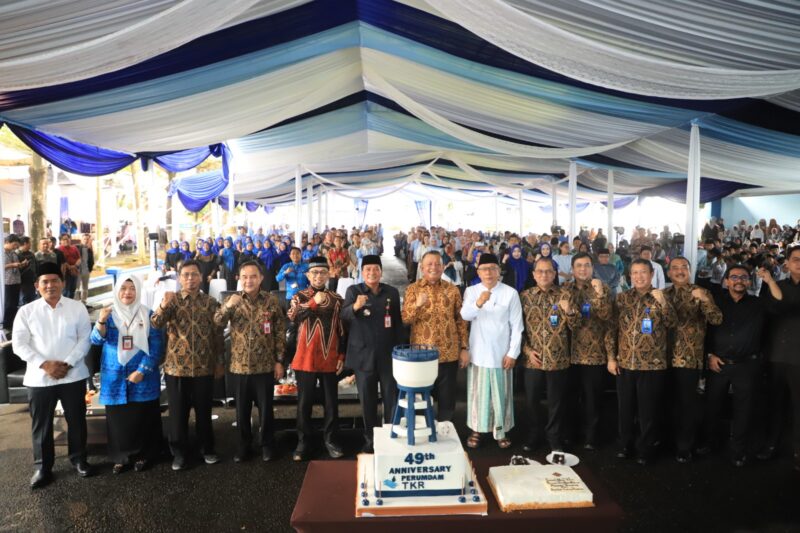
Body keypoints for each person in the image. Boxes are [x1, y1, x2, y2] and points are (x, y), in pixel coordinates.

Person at [12, 263, 93, 488]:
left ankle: (79, 460)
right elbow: (19, 344)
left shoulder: (77, 308)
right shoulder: (26, 312)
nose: (50, 285)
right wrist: (45, 364)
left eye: (55, 280)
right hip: (39, 379)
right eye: (45, 282)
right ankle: (42, 467)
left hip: (73, 375)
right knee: (42, 425)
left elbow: (85, 339)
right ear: (37, 286)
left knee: (76, 420)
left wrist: (67, 364)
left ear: (63, 283)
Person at [699, 264, 780, 467]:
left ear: (749, 282)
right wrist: (709, 354)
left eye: (744, 277)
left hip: (747, 365)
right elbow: (705, 330)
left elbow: (778, 303)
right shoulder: (716, 302)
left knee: (744, 411)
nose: (739, 281)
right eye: (734, 277)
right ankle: (710, 443)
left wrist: (770, 280)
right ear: (726, 281)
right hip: (717, 364)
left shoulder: (758, 303)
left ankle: (738, 450)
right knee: (712, 406)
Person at [151, 260, 225, 471]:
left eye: (194, 274)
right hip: (176, 368)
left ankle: (207, 449)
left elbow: (218, 335)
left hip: (204, 367)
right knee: (177, 414)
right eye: (186, 275)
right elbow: (155, 323)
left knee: (204, 412)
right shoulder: (172, 300)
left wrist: (220, 362)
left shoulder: (211, 303)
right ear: (179, 278)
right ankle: (179, 454)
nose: (190, 278)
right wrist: (164, 305)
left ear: (201, 277)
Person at [214, 261, 286, 463]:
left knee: (266, 410)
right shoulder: (232, 300)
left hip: (265, 366)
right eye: (244, 277)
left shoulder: (271, 300)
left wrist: (279, 361)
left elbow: (280, 333)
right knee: (242, 411)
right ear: (239, 278)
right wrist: (228, 306)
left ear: (261, 278)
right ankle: (243, 445)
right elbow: (217, 322)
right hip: (240, 367)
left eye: (253, 276)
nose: (249, 280)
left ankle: (267, 445)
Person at [91, 276, 164, 474]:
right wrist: (101, 321)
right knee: (118, 419)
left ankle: (144, 455)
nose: (128, 292)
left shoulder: (148, 315)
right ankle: (120, 457)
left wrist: (142, 370)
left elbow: (157, 346)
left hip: (142, 377)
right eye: (123, 288)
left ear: (138, 291)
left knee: (143, 416)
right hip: (114, 376)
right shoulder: (108, 315)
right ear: (117, 291)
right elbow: (96, 340)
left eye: (132, 288)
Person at [610, 258, 676, 465]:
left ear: (652, 274)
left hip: (652, 365)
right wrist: (611, 357)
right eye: (635, 273)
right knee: (625, 409)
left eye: (643, 272)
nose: (639, 276)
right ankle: (624, 445)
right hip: (625, 363)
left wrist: (663, 303)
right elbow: (611, 330)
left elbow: (673, 323)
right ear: (630, 276)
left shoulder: (662, 296)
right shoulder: (621, 298)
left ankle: (645, 449)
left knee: (648, 411)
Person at [460, 253, 524, 449]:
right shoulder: (472, 291)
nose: (488, 273)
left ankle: (501, 431)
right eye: (484, 269)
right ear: (478, 272)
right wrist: (478, 302)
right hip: (478, 353)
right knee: (478, 396)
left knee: (500, 396)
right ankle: (476, 430)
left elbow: (517, 326)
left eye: (492, 269)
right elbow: (465, 315)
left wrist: (513, 353)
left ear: (499, 272)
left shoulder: (510, 293)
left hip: (501, 354)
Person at [342, 255, 404, 453]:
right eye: (368, 269)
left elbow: (397, 323)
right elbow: (344, 316)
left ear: (381, 271)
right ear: (362, 272)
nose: (372, 273)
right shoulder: (354, 291)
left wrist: (401, 352)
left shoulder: (391, 292)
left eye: (376, 269)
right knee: (368, 402)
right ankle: (370, 439)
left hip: (388, 356)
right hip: (363, 357)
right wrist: (355, 306)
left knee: (391, 399)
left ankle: (391, 436)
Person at [286, 256, 346, 461]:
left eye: (322, 272)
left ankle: (331, 440)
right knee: (304, 403)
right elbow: (293, 317)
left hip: (330, 358)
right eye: (314, 272)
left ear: (328, 275)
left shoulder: (337, 299)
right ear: (307, 275)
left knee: (331, 403)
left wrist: (342, 354)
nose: (318, 276)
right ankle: (303, 442)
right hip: (305, 358)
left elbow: (342, 330)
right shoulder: (299, 296)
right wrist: (313, 302)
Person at [664, 257, 722, 463]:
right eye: (675, 268)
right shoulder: (663, 294)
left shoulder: (701, 292)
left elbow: (716, 319)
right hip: (661, 358)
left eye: (684, 268)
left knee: (687, 405)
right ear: (669, 273)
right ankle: (667, 442)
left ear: (690, 271)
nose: (680, 271)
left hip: (688, 359)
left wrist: (705, 300)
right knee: (665, 402)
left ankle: (684, 446)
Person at [402, 251, 469, 423]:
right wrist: (417, 305)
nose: (434, 267)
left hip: (449, 354)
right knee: (422, 399)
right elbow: (405, 319)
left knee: (447, 398)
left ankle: (445, 429)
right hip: (422, 355)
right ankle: (424, 430)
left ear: (443, 267)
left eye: (438, 264)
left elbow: (461, 321)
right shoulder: (413, 289)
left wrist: (464, 348)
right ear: (422, 267)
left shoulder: (452, 290)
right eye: (429, 264)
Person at [519, 257, 576, 453]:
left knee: (556, 402)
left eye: (548, 271)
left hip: (558, 359)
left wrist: (569, 311)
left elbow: (576, 326)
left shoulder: (565, 295)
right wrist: (527, 351)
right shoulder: (524, 297)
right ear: (534, 275)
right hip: (532, 359)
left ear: (554, 274)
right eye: (540, 271)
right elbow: (517, 329)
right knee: (531, 401)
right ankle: (534, 435)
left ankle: (554, 437)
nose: (544, 275)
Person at [564, 252, 613, 450]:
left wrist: (599, 293)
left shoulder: (602, 288)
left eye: (587, 265)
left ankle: (591, 436)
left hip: (594, 353)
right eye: (579, 265)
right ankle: (570, 434)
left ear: (593, 268)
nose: (583, 269)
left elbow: (607, 316)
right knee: (570, 397)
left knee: (592, 398)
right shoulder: (565, 289)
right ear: (572, 269)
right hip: (569, 353)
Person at [758, 244, 800, 471]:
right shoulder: (778, 286)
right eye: (796, 259)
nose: (799, 264)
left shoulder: (775, 286)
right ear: (788, 263)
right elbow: (772, 310)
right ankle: (771, 445)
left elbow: (787, 305)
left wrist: (771, 282)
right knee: (774, 404)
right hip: (776, 356)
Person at [4, 234, 27, 329]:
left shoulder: (13, 253)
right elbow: (2, 266)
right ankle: (6, 325)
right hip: (7, 282)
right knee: (8, 304)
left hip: (16, 281)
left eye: (17, 245)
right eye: (14, 244)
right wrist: (13, 265)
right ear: (7, 242)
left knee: (15, 304)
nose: (16, 247)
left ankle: (13, 324)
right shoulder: (1, 252)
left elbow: (16, 265)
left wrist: (22, 264)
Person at [58, 234, 80, 299]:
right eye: (64, 239)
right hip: (65, 273)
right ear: (60, 241)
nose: (66, 240)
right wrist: (70, 267)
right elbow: (62, 261)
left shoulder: (74, 248)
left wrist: (75, 266)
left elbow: (79, 258)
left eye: (67, 239)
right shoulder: (59, 249)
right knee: (65, 291)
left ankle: (70, 302)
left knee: (72, 290)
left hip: (74, 271)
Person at [18, 236, 37, 304]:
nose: (31, 244)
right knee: (23, 301)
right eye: (30, 243)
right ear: (25, 243)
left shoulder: (31, 254)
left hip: (32, 281)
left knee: (32, 301)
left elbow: (35, 266)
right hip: (22, 282)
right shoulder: (17, 254)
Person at [76, 234, 95, 305]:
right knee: (77, 287)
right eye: (84, 239)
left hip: (86, 271)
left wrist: (90, 269)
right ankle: (76, 302)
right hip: (78, 271)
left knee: (85, 287)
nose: (86, 241)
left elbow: (91, 261)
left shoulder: (90, 249)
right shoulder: (77, 247)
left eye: (87, 239)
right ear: (81, 240)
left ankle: (84, 301)